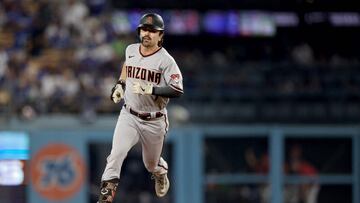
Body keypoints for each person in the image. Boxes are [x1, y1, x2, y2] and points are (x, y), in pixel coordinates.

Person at [97, 13, 184, 203]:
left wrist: (151, 88)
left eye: (153, 31)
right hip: (129, 115)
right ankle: (105, 200)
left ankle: (161, 172)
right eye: (144, 29)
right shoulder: (131, 49)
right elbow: (128, 66)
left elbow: (177, 90)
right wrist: (120, 84)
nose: (147, 33)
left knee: (150, 164)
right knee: (116, 155)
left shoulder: (166, 61)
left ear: (160, 36)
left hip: (154, 120)